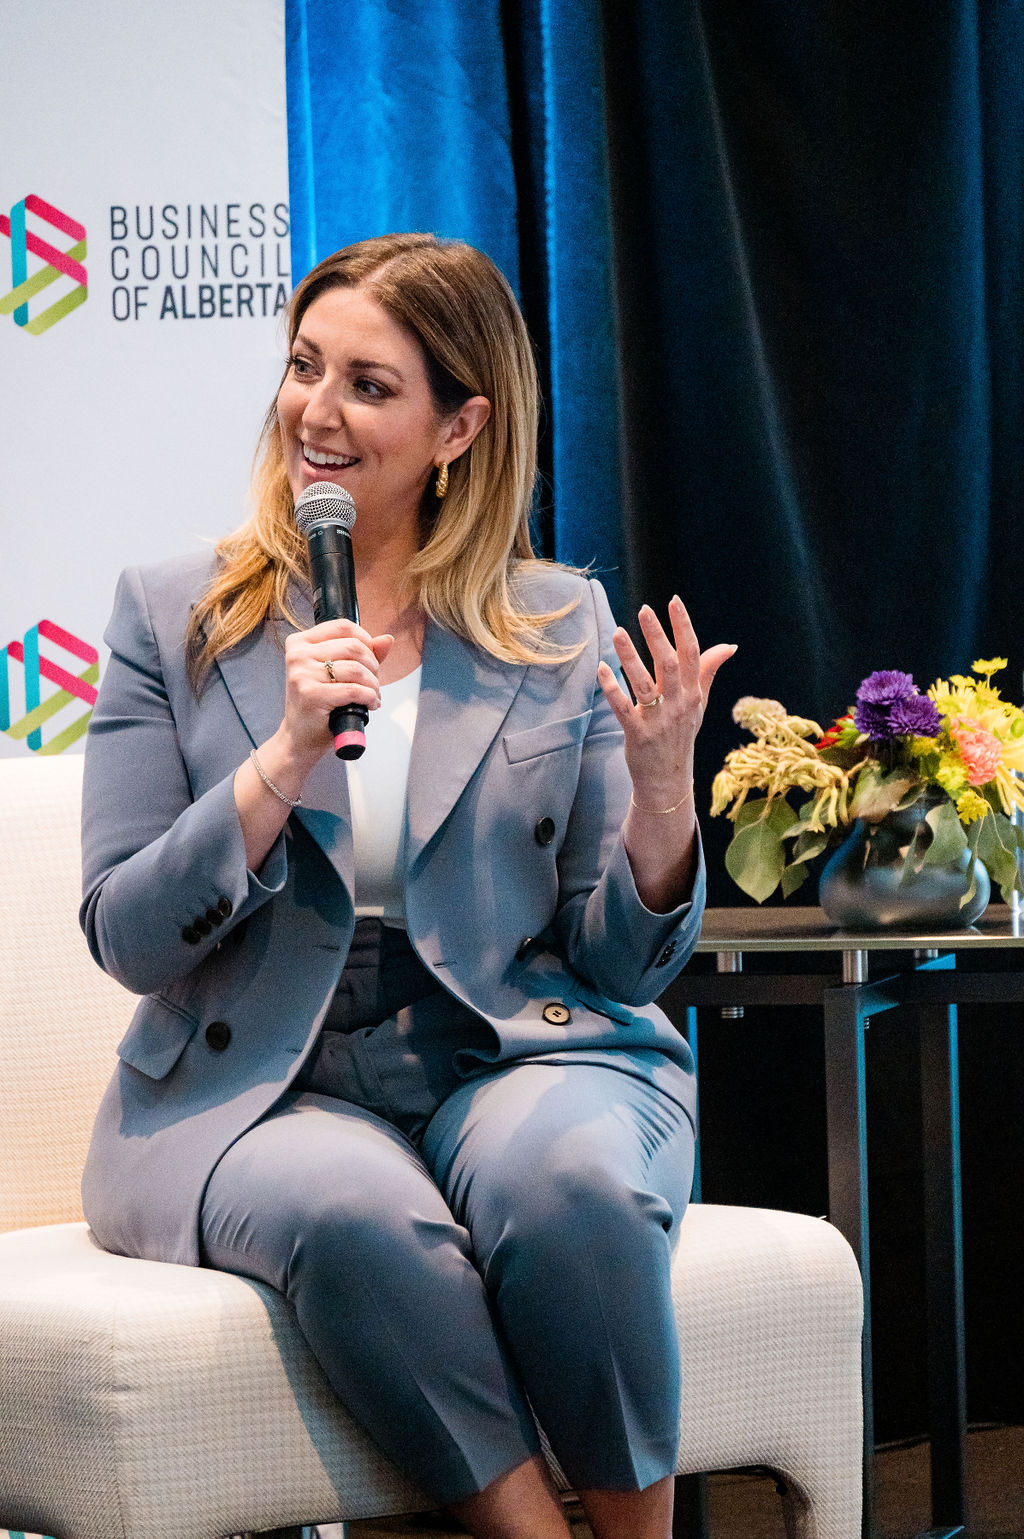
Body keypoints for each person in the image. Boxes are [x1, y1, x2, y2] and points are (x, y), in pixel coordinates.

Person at [80, 232, 734, 1539]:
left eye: (369, 385)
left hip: (516, 1049)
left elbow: (617, 965)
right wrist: (279, 762)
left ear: (459, 428)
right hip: (259, 1081)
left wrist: (664, 799)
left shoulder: (554, 625)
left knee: (569, 1187)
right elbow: (128, 933)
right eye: (303, 367)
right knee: (355, 1209)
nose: (315, 413)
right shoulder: (172, 614)